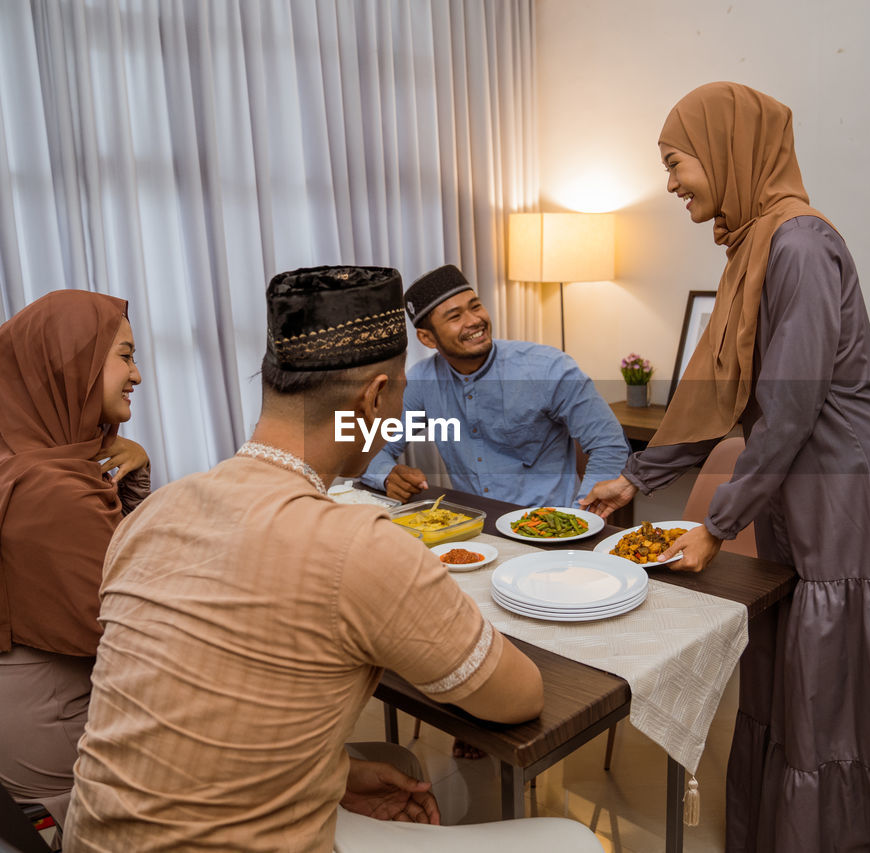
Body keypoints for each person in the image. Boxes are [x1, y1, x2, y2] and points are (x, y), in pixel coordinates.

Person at [64, 266, 602, 853]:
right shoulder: (362, 545)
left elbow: (195, 716)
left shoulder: (150, 515)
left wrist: (334, 772)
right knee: (574, 838)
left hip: (93, 838)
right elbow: (521, 699)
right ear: (374, 397)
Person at [582, 83, 870, 851]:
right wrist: (637, 477)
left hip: (854, 498)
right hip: (803, 492)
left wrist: (716, 525)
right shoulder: (752, 244)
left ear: (724, 149)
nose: (670, 181)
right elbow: (719, 394)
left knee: (839, 686)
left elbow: (789, 410)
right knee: (805, 681)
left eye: (674, 161)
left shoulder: (799, 245)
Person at [0, 290, 149, 827]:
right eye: (126, 356)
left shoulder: (31, 466)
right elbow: (138, 621)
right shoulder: (52, 491)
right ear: (73, 369)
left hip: (10, 707)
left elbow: (126, 568)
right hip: (44, 732)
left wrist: (134, 480)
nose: (137, 376)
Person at [361, 263, 628, 506]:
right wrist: (387, 475)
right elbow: (371, 446)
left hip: (551, 531)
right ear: (427, 338)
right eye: (455, 317)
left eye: (475, 306)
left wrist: (581, 513)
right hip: (476, 530)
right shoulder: (421, 381)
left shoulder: (548, 368)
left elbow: (609, 444)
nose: (474, 320)